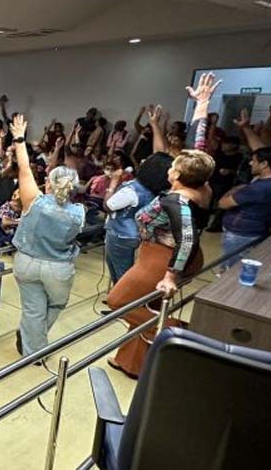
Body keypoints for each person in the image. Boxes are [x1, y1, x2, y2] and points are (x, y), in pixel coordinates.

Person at [106, 149, 215, 378]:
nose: (169, 169)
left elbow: (187, 239)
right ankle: (132, 362)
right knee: (148, 307)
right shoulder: (202, 188)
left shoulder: (177, 202)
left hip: (163, 257)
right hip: (161, 253)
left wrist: (170, 276)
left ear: (178, 174)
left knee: (119, 302)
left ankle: (180, 332)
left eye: (173, 166)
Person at [10, 114, 85, 357]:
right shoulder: (79, 212)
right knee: (57, 304)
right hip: (58, 267)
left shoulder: (34, 200)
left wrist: (19, 137)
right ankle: (35, 343)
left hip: (26, 262)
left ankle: (32, 351)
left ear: (48, 183)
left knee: (33, 310)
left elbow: (23, 167)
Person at [103, 152, 173, 283]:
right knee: (125, 270)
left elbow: (107, 206)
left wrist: (112, 185)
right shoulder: (155, 192)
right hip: (135, 233)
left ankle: (122, 300)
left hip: (119, 235)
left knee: (121, 274)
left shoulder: (131, 191)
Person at [217, 146, 271, 266]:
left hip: (240, 234)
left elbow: (223, 203)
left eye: (254, 160)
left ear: (264, 164)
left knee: (231, 268)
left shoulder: (259, 188)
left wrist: (241, 187)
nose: (251, 163)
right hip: (258, 230)